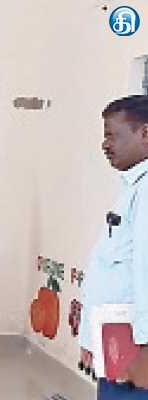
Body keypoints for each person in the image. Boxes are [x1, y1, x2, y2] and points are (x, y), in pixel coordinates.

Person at [78, 95, 148, 399]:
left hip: (135, 356)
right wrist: (90, 335)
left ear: (145, 133)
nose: (105, 145)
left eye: (112, 135)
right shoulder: (134, 188)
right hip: (118, 346)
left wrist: (145, 352)